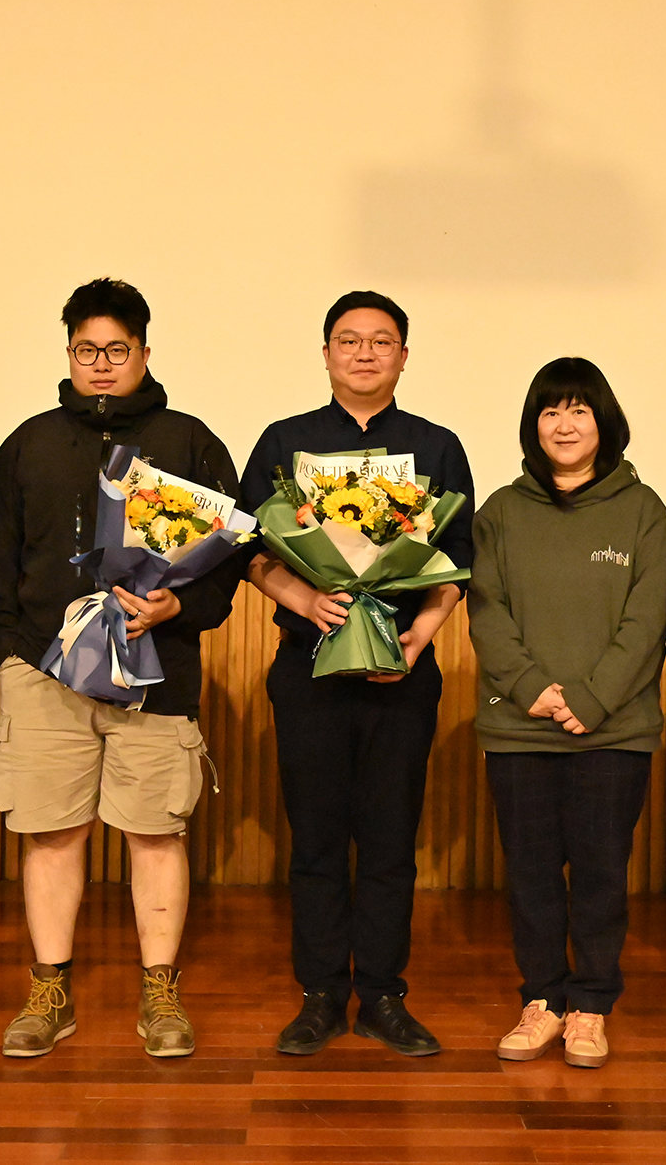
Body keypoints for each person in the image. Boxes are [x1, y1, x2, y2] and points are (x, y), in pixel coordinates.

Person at [0, 278, 244, 1059]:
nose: (100, 363)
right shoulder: (28, 443)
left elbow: (230, 561)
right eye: (86, 350)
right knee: (51, 833)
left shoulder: (190, 443)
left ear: (145, 352)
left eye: (116, 350)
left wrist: (177, 609)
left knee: (156, 833)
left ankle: (160, 991)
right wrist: (11, 654)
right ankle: (49, 989)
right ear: (69, 352)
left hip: (157, 672)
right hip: (43, 674)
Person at [240, 291, 475, 1057]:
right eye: (349, 340)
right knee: (314, 841)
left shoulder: (436, 446)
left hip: (402, 676)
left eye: (381, 341)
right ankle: (319, 995)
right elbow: (250, 551)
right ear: (326, 354)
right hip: (307, 671)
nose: (364, 353)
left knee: (389, 841)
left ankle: (381, 994)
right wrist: (305, 599)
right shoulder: (286, 443)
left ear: (403, 356)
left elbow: (457, 563)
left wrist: (419, 639)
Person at [467, 359, 666, 1069]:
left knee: (600, 875)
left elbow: (647, 618)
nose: (564, 424)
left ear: (603, 421)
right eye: (551, 410)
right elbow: (487, 608)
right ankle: (542, 1000)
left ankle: (590, 1006)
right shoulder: (500, 511)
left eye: (579, 410)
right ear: (534, 425)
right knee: (529, 876)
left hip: (613, 732)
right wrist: (531, 687)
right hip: (518, 728)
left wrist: (590, 698)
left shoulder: (642, 511)